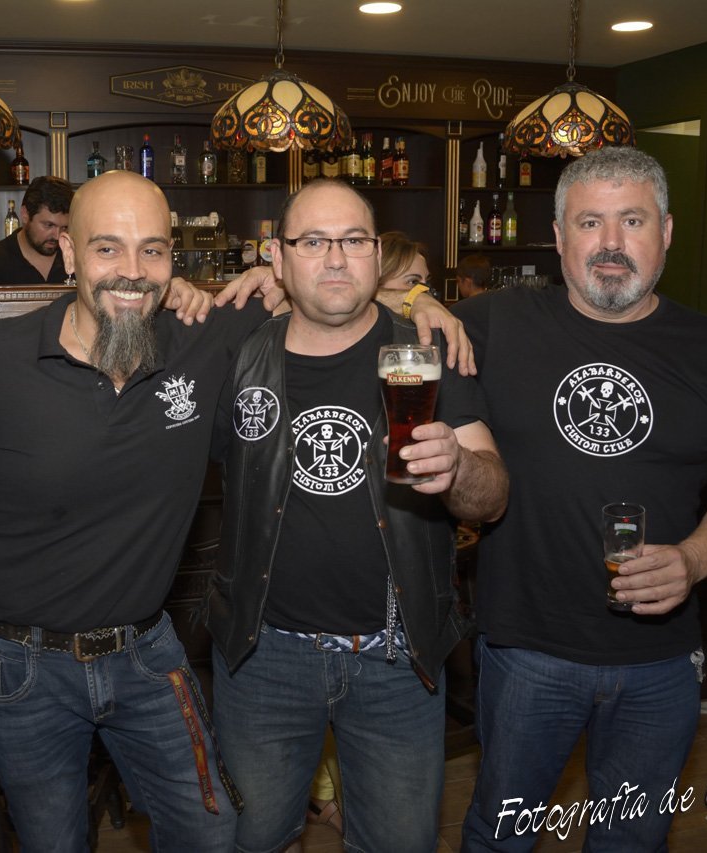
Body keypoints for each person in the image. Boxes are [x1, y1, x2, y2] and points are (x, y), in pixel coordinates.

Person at [0, 171, 475, 851]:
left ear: (172, 259)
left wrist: (420, 298)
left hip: (145, 648)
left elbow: (334, 289)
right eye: (108, 248)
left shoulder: (204, 336)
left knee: (212, 829)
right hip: (20, 660)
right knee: (53, 839)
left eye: (151, 250)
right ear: (70, 253)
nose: (132, 270)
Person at [453, 147, 707, 851]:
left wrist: (695, 558)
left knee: (633, 840)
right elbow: (373, 313)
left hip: (661, 661)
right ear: (557, 236)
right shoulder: (493, 323)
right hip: (526, 651)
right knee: (500, 836)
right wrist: (415, 300)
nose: (610, 243)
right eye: (589, 223)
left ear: (666, 231)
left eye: (632, 221)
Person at [207, 178, 510, 853]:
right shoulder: (239, 352)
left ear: (377, 254)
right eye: (313, 242)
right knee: (255, 839)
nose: (336, 258)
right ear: (278, 258)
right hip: (262, 653)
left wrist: (459, 468)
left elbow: (492, 497)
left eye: (353, 240)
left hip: (396, 656)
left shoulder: (428, 348)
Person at [0, 175, 73, 327]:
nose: (57, 236)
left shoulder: (76, 257)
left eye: (64, 227)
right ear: (25, 215)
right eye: (48, 225)